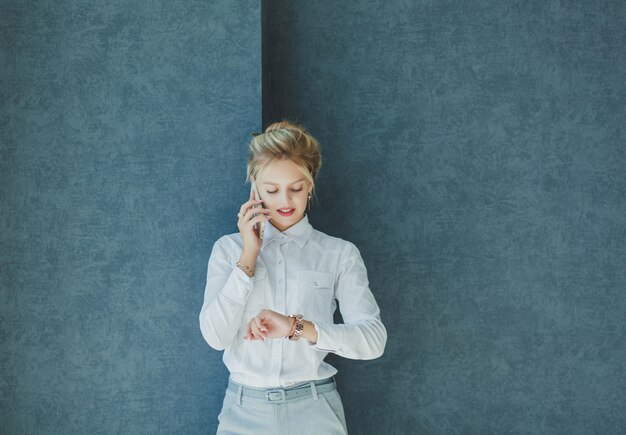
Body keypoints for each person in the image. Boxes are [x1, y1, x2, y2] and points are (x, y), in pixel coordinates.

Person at [199, 120, 387, 434]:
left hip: (314, 410)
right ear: (255, 189)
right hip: (243, 410)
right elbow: (215, 338)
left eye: (296, 188)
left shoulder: (339, 253)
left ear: (310, 184)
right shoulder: (227, 249)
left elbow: (372, 341)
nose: (285, 201)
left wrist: (297, 328)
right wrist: (248, 255)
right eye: (272, 190)